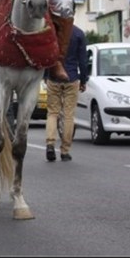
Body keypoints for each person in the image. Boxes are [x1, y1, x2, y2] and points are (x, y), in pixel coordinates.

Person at [45, 15, 88, 162]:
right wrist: (83, 80)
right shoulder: (78, 34)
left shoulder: (53, 33)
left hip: (54, 77)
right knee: (69, 115)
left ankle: (50, 144)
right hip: (71, 78)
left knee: (52, 113)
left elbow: (47, 56)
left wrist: (46, 75)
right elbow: (83, 61)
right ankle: (65, 150)